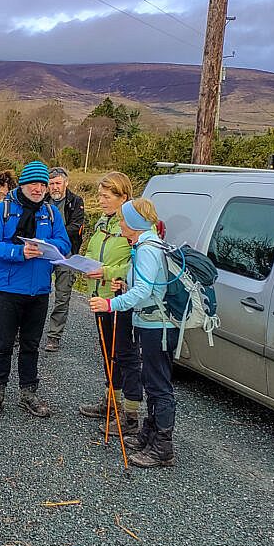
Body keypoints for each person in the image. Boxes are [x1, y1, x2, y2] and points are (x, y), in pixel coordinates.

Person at [88, 198, 179, 468]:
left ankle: (163, 447)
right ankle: (150, 435)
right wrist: (123, 285)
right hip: (151, 321)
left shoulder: (148, 248)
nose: (121, 225)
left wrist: (111, 303)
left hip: (157, 325)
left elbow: (145, 291)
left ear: (135, 224)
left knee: (158, 384)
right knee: (151, 380)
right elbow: (145, 285)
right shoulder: (145, 244)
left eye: (125, 221)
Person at [0, 161, 71, 419]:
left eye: (43, 184)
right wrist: (19, 251)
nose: (39, 189)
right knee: (4, 343)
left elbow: (64, 244)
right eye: (34, 183)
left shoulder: (51, 213)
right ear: (23, 183)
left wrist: (43, 245)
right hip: (9, 288)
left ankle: (28, 392)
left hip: (40, 289)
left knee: (31, 344)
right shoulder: (3, 210)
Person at [79, 172, 143, 433]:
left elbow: (135, 264)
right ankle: (111, 402)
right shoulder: (102, 223)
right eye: (100, 195)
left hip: (120, 298)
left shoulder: (131, 226)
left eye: (106, 196)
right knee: (108, 354)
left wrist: (106, 272)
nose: (101, 201)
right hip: (99, 296)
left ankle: (130, 414)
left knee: (125, 355)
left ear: (123, 197)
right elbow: (94, 252)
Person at [43, 167, 86, 352]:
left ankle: (54, 336)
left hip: (66, 253)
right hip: (44, 252)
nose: (54, 187)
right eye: (51, 184)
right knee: (36, 293)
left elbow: (76, 226)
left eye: (57, 183)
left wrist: (54, 235)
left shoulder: (75, 202)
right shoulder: (42, 201)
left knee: (62, 296)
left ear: (66, 183)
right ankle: (25, 332)